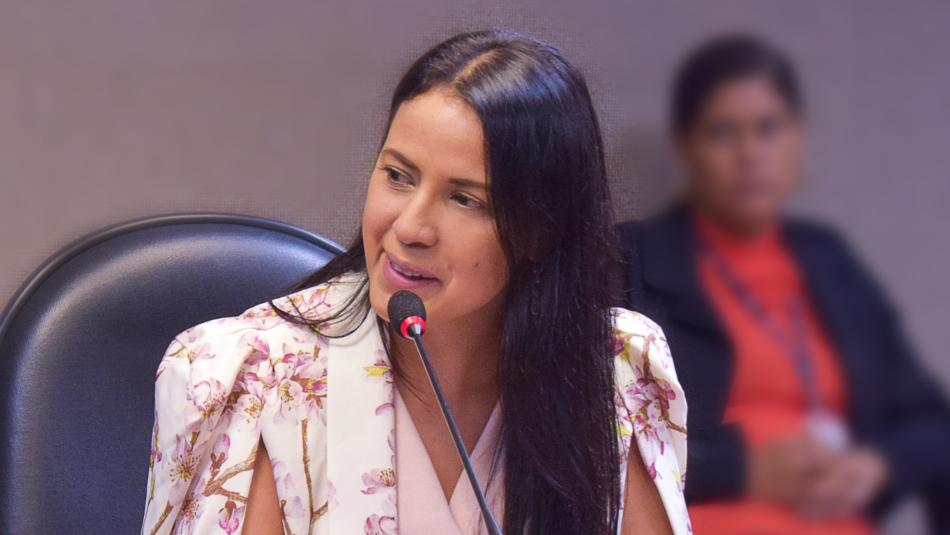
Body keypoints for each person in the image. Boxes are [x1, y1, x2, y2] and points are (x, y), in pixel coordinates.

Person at [141, 29, 690, 535]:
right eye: (398, 176)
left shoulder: (613, 368)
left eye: (464, 199)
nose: (409, 227)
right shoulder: (263, 379)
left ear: (541, 231)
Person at [616, 34, 950, 535]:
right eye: (722, 132)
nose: (750, 153)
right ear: (685, 148)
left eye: (768, 128)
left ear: (798, 137)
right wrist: (743, 469)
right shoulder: (632, 260)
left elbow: (929, 423)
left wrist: (878, 465)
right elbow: (600, 447)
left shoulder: (827, 260)